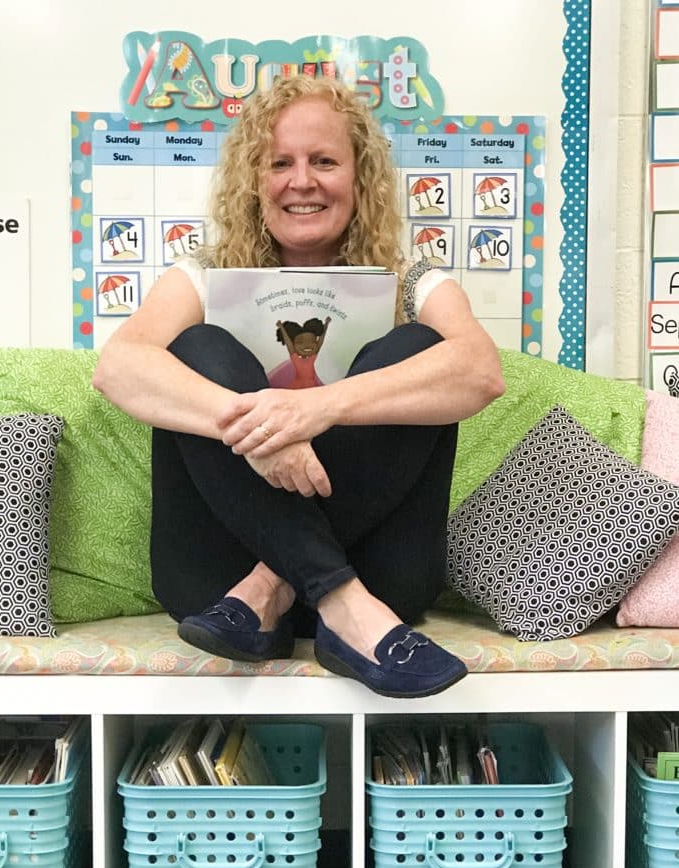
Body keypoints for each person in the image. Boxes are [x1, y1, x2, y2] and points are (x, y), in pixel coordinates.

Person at [93, 75, 505, 698]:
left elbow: (480, 370)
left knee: (421, 348)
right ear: (253, 182)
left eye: (324, 161)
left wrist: (315, 409)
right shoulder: (204, 272)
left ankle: (275, 586)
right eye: (279, 162)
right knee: (199, 349)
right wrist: (266, 432)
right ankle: (338, 603)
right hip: (213, 580)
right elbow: (118, 367)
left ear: (359, 178)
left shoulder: (410, 275)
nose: (302, 180)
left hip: (376, 576)